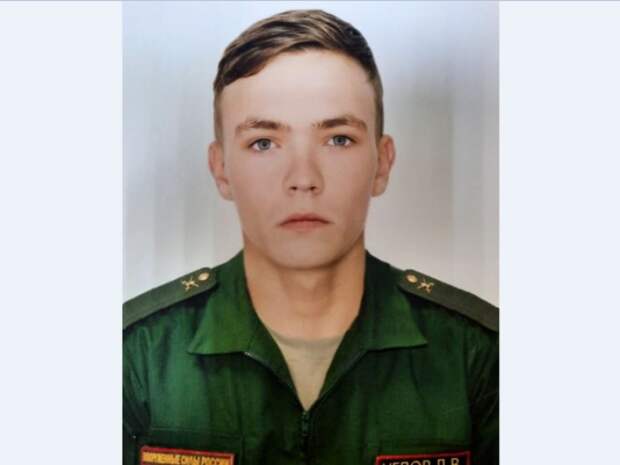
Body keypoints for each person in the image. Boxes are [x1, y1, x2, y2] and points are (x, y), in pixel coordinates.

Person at [123, 9, 498, 465]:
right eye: (263, 142)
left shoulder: (479, 357)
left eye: (338, 139)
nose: (303, 179)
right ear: (221, 170)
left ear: (382, 163)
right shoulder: (136, 358)